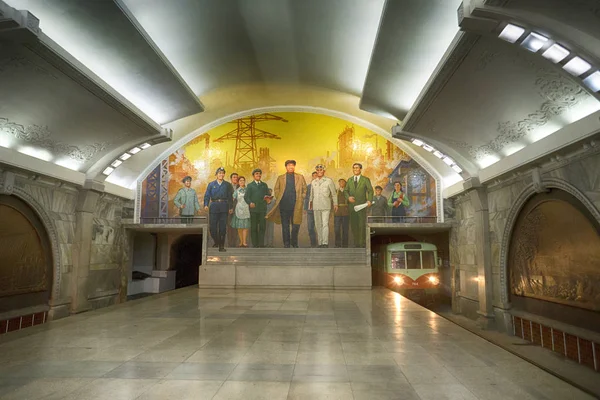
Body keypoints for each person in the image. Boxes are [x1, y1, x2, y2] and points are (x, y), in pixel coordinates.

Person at [266, 160, 307, 248]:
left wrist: (302, 197)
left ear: (294, 167)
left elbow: (305, 189)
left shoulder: (300, 177)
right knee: (285, 226)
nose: (291, 167)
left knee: (296, 225)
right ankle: (286, 243)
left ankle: (294, 242)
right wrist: (279, 197)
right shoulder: (281, 178)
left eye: (292, 165)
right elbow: (276, 189)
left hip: (296, 205)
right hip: (284, 205)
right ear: (286, 167)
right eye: (289, 165)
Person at [203, 167, 234, 252]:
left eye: (223, 173)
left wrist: (230, 207)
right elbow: (207, 195)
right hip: (214, 207)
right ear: (216, 174)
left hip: (224, 207)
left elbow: (230, 197)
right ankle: (216, 241)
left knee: (222, 228)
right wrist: (206, 204)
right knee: (212, 228)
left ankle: (221, 246)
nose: (221, 175)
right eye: (219, 173)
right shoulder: (211, 184)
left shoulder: (227, 185)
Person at [345, 163, 373, 247]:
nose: (355, 169)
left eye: (357, 168)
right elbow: (345, 191)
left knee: (361, 224)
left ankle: (361, 243)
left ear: (360, 169)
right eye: (354, 168)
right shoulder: (349, 180)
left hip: (361, 206)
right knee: (354, 225)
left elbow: (370, 191)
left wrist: (369, 200)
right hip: (352, 206)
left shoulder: (365, 179)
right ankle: (356, 242)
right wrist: (348, 197)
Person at [309, 164, 338, 248]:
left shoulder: (328, 181)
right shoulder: (314, 182)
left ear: (324, 171)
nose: (319, 172)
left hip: (326, 205)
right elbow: (311, 195)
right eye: (317, 170)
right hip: (316, 206)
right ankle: (320, 242)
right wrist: (310, 204)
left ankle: (325, 242)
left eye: (320, 170)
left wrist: (335, 204)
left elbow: (334, 194)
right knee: (318, 224)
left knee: (325, 224)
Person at [244, 168, 271, 248]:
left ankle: (261, 244)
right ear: (253, 176)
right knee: (254, 227)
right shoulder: (250, 185)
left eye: (259, 174)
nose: (258, 175)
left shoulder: (264, 185)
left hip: (262, 209)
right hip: (254, 210)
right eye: (256, 174)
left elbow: (267, 195)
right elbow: (246, 197)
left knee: (262, 227)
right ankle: (255, 244)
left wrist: (268, 199)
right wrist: (250, 203)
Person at [231, 176, 250, 247]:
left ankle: (244, 242)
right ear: (238, 182)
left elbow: (250, 198)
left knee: (245, 226)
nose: (242, 182)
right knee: (239, 227)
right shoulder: (236, 191)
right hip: (238, 209)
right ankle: (241, 241)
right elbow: (232, 199)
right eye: (240, 181)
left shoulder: (248, 190)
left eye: (243, 180)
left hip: (246, 208)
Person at [304, 171, 318, 248]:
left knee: (319, 227)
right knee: (310, 227)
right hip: (310, 210)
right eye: (314, 176)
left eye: (316, 176)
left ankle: (321, 244)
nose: (315, 177)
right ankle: (313, 244)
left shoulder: (322, 186)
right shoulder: (308, 187)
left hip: (319, 210)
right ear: (312, 177)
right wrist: (305, 208)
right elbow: (306, 198)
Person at [334, 179, 349, 248]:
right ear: (339, 183)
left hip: (346, 212)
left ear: (345, 183)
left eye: (343, 182)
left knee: (345, 229)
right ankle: (337, 244)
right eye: (340, 182)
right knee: (337, 229)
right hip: (337, 213)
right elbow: (333, 201)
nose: (341, 183)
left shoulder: (348, 192)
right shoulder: (336, 191)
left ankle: (345, 244)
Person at [227, 172, 240, 247]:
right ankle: (230, 243)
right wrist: (229, 208)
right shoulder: (227, 186)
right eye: (234, 177)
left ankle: (235, 243)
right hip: (229, 209)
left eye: (236, 177)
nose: (235, 178)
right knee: (229, 226)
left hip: (238, 209)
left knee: (237, 226)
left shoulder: (240, 186)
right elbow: (226, 198)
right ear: (231, 179)